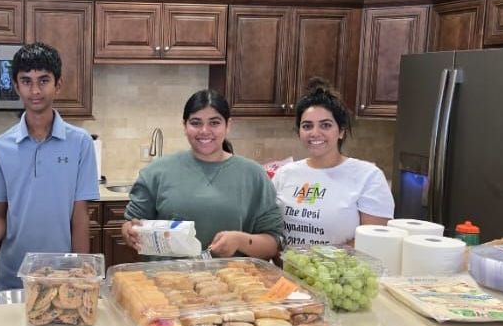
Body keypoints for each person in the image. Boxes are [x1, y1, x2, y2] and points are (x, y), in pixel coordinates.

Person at [0, 42, 99, 290]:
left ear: (58, 85)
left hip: (64, 274)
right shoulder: (1, 147)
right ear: (17, 86)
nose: (35, 90)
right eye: (26, 81)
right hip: (14, 273)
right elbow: (0, 213)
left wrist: (81, 270)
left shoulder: (80, 142)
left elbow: (80, 214)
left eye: (43, 80)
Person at [121, 90, 284, 259]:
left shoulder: (253, 175)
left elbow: (273, 244)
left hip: (232, 281)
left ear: (228, 125)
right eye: (196, 123)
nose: (204, 130)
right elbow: (130, 225)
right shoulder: (156, 172)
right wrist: (129, 232)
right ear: (185, 126)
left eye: (214, 123)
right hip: (167, 280)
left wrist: (240, 241)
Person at [272, 78, 394, 247]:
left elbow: (374, 240)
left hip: (340, 273)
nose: (315, 133)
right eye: (307, 126)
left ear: (341, 131)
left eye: (326, 125)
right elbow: (272, 231)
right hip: (287, 272)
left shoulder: (368, 176)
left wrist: (317, 262)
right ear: (299, 131)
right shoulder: (284, 174)